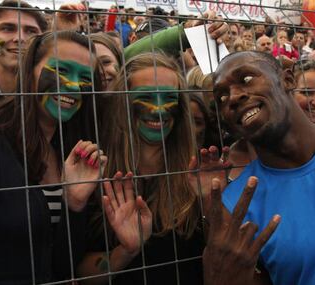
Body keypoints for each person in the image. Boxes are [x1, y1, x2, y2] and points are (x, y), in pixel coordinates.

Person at [204, 50, 315, 285]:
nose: (233, 97)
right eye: (222, 97)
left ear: (287, 80)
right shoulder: (236, 208)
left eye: (246, 79)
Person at [0, 30, 106, 283]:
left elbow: (62, 267)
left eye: (85, 78)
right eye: (61, 71)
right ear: (30, 71)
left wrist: (74, 205)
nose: (73, 86)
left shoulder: (73, 151)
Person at [78, 52, 227, 285]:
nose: (158, 110)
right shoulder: (97, 172)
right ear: (123, 102)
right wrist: (126, 250)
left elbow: (220, 254)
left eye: (168, 97)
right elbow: (82, 275)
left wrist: (210, 204)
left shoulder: (196, 172)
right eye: (146, 96)